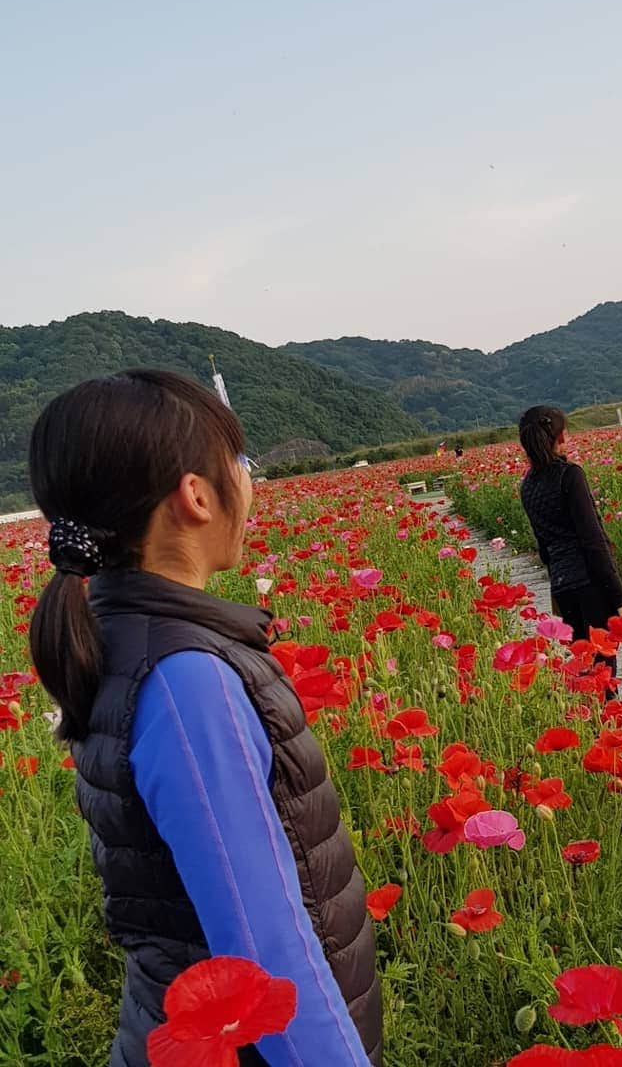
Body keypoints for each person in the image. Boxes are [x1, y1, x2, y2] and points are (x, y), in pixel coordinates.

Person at [28, 371, 381, 1067]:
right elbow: (264, 943)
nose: (249, 484)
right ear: (195, 495)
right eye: (240, 464)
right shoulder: (186, 681)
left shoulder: (120, 635)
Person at [517, 406, 622, 677]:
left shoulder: (528, 486)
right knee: (603, 672)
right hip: (590, 584)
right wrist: (619, 599)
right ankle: (606, 719)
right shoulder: (569, 475)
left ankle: (589, 719)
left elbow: (544, 549)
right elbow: (593, 542)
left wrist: (557, 583)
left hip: (562, 587)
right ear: (561, 437)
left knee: (582, 671)